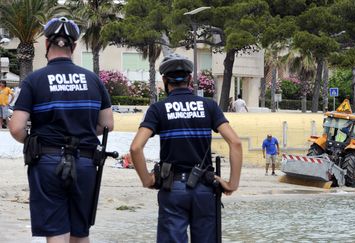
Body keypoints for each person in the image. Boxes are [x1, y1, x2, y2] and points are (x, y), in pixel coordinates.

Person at [9, 16, 113, 243]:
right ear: (74, 46)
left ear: (47, 44)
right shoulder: (94, 80)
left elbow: (16, 127)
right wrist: (82, 133)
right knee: (79, 232)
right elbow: (107, 125)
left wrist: (35, 140)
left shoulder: (34, 80)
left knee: (56, 232)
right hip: (85, 163)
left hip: (47, 162)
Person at [130, 53, 242, 243]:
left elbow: (135, 148)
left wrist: (147, 180)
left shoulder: (158, 109)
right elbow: (236, 143)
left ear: (165, 80)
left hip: (172, 189)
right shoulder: (209, 106)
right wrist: (232, 183)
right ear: (189, 79)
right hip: (205, 189)